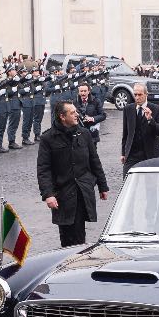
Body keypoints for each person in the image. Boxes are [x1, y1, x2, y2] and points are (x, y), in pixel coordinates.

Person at [37, 101, 109, 247]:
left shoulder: (84, 134)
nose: (77, 115)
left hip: (82, 192)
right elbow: (43, 169)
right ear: (62, 116)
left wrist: (102, 186)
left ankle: (76, 263)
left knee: (79, 235)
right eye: (72, 113)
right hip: (63, 194)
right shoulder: (48, 138)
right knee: (66, 236)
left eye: (76, 111)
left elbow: (94, 161)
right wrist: (48, 194)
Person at [121, 82, 159, 177]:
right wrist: (123, 153)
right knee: (126, 182)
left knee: (150, 184)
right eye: (135, 94)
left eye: (140, 95)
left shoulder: (157, 109)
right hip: (132, 153)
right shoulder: (128, 109)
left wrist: (150, 119)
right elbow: (125, 133)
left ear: (146, 95)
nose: (137, 97)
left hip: (150, 153)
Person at [5, 65, 23, 150]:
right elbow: (7, 92)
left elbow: (21, 86)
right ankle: (11, 142)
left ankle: (13, 140)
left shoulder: (15, 80)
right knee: (12, 123)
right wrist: (13, 90)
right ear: (9, 72)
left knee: (15, 123)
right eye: (13, 70)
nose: (15, 71)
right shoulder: (7, 81)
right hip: (12, 104)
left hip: (17, 103)